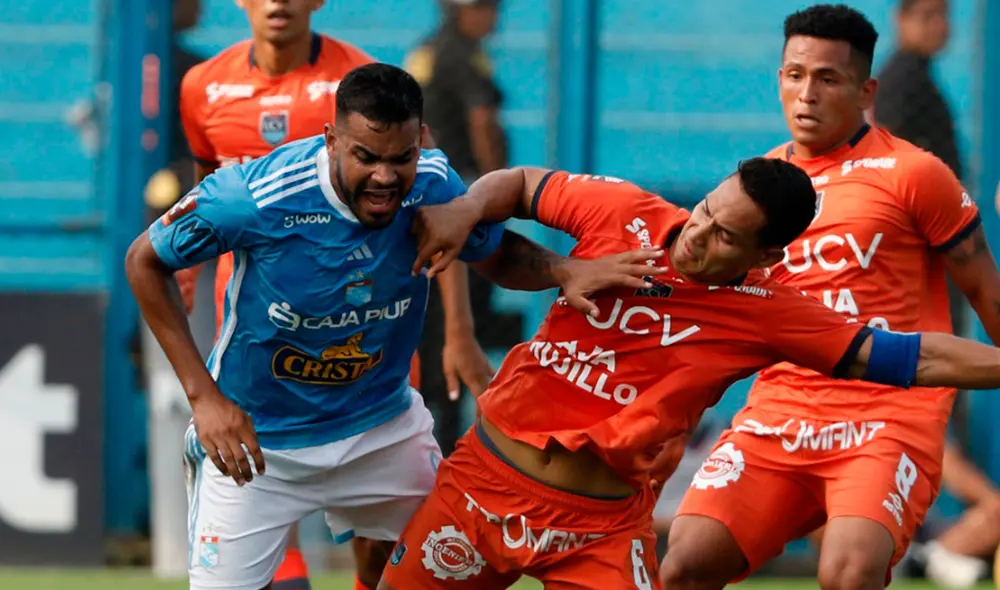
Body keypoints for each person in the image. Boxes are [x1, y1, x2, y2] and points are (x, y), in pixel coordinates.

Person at [127, 63, 647, 590]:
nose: (384, 178)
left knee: (437, 573)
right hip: (260, 445)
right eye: (366, 157)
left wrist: (565, 270)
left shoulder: (433, 185)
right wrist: (205, 399)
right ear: (331, 140)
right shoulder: (255, 196)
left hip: (383, 431)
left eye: (401, 158)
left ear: (420, 141)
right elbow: (144, 260)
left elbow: (491, 253)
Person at [376, 158, 1000, 590]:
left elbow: (913, 357)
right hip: (484, 485)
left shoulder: (769, 310)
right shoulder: (625, 211)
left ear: (764, 257)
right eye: (706, 209)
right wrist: (465, 211)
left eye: (725, 235)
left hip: (600, 531)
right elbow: (517, 183)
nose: (696, 234)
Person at [660, 5, 1000, 590]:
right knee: (684, 564)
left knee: (848, 570)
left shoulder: (914, 174)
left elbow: (986, 294)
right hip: (781, 410)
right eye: (794, 75)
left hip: (888, 413)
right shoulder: (756, 184)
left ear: (866, 90)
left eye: (828, 79)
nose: (806, 94)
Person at [168, 2, 487, 588]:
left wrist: (460, 332)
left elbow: (436, 205)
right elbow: (204, 186)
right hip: (256, 313)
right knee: (262, 469)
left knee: (395, 537)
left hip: (366, 323)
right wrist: (188, 262)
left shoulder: (364, 83)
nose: (279, 4)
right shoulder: (202, 85)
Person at [405, 0, 509, 456]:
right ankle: (443, 451)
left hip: (428, 207)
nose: (495, 17)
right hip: (457, 207)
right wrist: (493, 188)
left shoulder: (428, 50)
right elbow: (481, 118)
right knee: (454, 330)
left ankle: (434, 440)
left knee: (433, 334)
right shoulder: (460, 54)